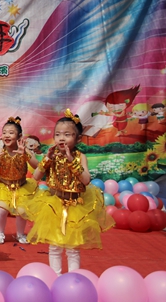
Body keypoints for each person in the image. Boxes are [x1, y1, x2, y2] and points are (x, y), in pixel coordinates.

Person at [27, 109, 115, 275]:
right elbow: (36, 176)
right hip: (54, 205)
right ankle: (55, 275)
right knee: (55, 245)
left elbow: (86, 180)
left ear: (78, 138)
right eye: (58, 134)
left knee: (72, 247)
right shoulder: (51, 156)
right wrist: (46, 160)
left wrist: (72, 161)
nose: (61, 138)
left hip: (75, 206)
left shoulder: (80, 157)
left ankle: (73, 278)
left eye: (67, 134)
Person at [0, 116, 38, 244]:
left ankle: (20, 234)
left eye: (11, 133)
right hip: (3, 187)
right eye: (4, 132)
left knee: (22, 212)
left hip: (21, 187)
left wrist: (26, 155)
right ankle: (0, 233)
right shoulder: (0, 152)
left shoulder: (24, 151)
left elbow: (37, 166)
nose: (7, 135)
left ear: (19, 136)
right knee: (2, 210)